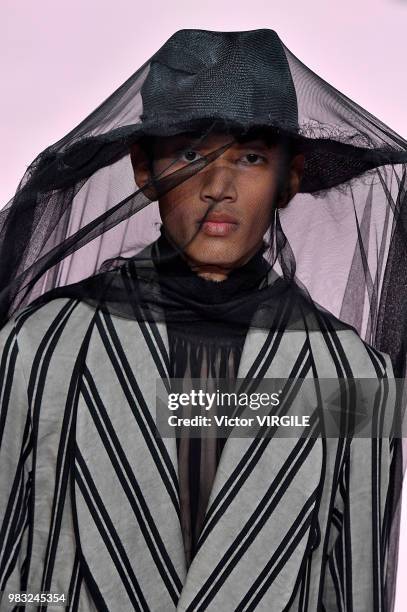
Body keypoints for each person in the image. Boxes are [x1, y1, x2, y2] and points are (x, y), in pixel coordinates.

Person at [0, 28, 405, 611]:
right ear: (144, 169)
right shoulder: (37, 350)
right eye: (191, 154)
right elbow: (16, 579)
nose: (219, 188)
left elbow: (359, 588)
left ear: (290, 178)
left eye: (250, 157)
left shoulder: (359, 377)